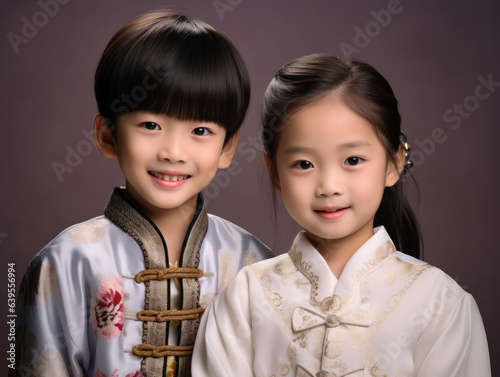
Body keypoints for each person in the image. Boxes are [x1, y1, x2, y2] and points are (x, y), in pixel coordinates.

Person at [192, 54, 491, 376]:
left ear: (394, 163)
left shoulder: (440, 302)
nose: (329, 187)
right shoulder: (244, 297)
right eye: (304, 164)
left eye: (353, 160)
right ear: (274, 173)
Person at [11, 10, 270, 377]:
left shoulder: (255, 264)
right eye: (150, 124)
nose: (173, 152)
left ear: (228, 147)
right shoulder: (63, 265)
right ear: (107, 135)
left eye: (200, 130)